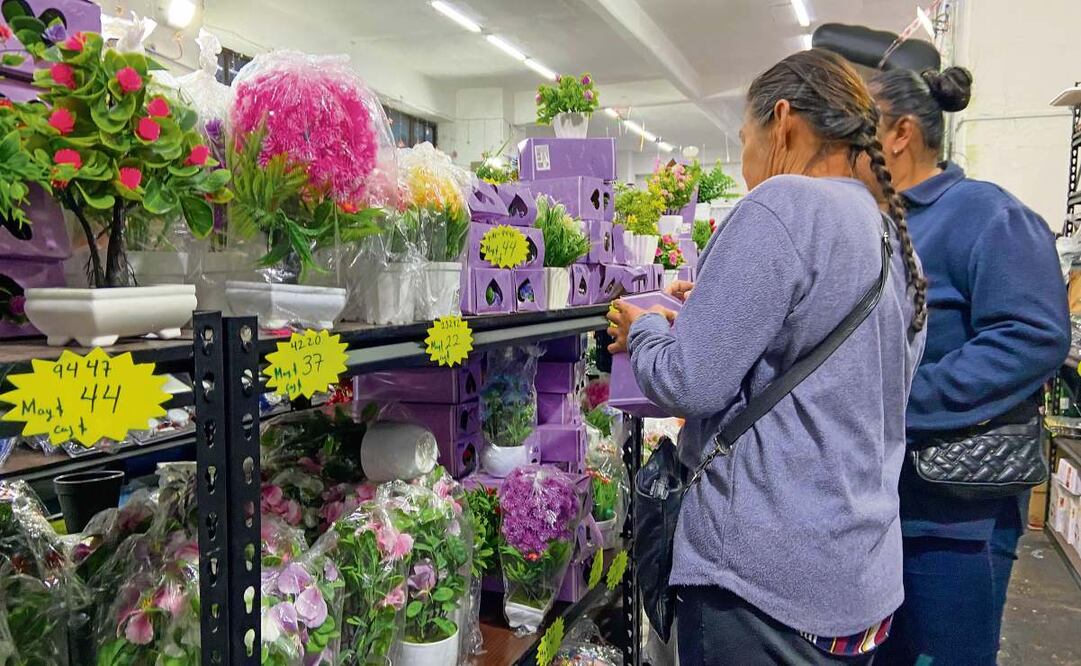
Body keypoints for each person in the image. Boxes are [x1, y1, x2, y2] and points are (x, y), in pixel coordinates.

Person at [606, 49, 927, 664]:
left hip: (764, 581)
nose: (749, 164)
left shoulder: (784, 204)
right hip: (859, 579)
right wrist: (713, 314)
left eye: (746, 140)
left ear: (782, 123)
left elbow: (688, 381)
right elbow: (844, 373)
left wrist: (646, 330)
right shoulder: (890, 235)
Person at [869, 67, 1071, 665]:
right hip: (877, 507)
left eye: (858, 128)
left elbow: (1035, 335)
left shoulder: (984, 214)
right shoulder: (872, 221)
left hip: (957, 512)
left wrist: (903, 398)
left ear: (900, 133)